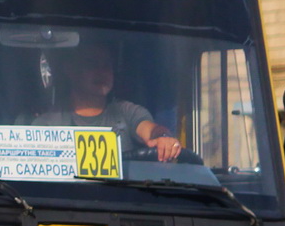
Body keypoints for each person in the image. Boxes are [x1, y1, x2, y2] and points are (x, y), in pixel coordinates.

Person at [34, 42, 183, 162]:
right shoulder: (47, 124)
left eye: (106, 66)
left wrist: (163, 138)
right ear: (70, 70)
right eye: (92, 65)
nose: (102, 72)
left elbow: (151, 130)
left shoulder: (127, 112)